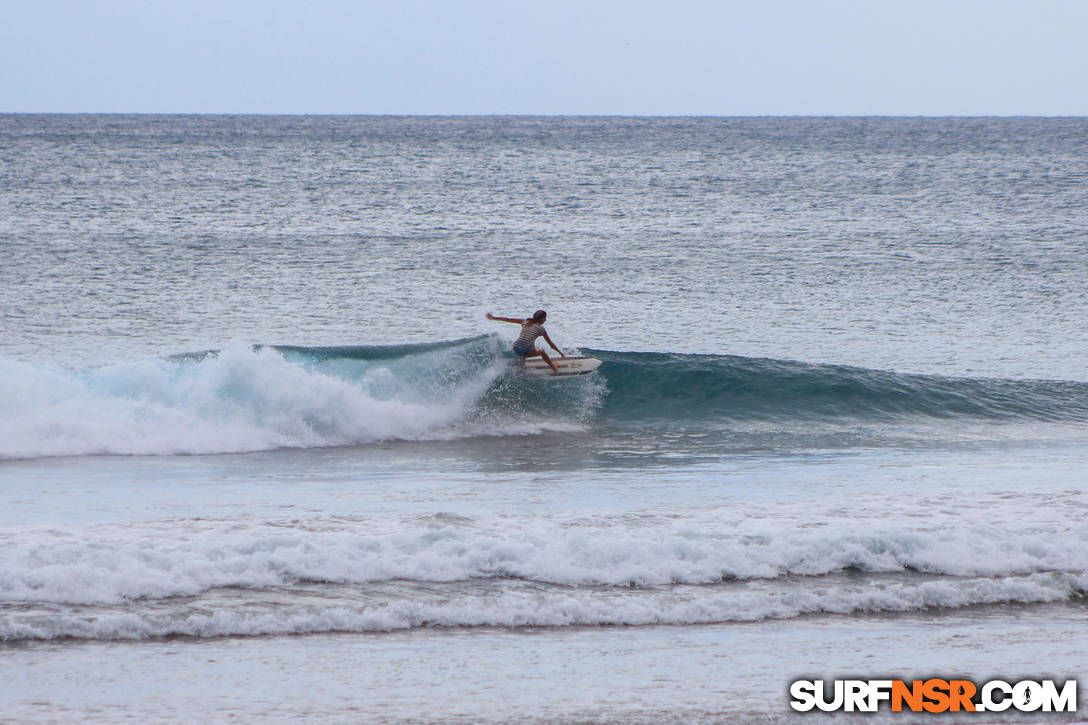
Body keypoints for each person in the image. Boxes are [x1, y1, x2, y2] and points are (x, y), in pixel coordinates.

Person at [486, 309, 566, 374]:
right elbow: (551, 344)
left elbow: (508, 319)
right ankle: (553, 367)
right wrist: (560, 353)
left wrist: (494, 317)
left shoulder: (525, 322)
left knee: (528, 345)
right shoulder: (541, 329)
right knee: (542, 351)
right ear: (541, 319)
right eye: (545, 318)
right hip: (526, 351)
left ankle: (522, 363)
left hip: (516, 348)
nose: (546, 320)